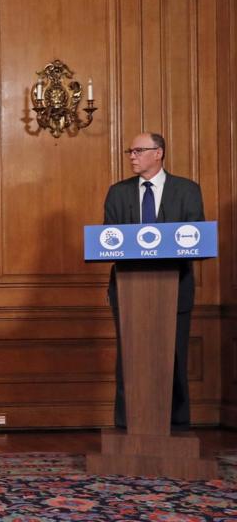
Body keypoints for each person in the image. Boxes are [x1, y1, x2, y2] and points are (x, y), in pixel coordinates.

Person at [104, 132, 204, 430]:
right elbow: (109, 238)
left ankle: (177, 424)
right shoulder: (118, 192)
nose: (132, 156)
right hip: (128, 289)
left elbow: (196, 236)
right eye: (130, 151)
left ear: (158, 153)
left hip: (175, 289)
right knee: (129, 358)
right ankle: (127, 425)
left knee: (174, 357)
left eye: (138, 150)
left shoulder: (187, 190)